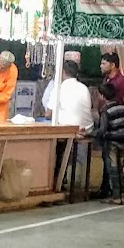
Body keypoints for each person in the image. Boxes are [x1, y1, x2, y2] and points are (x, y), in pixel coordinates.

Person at [49, 58, 94, 196]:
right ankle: (62, 179)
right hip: (87, 128)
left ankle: (56, 181)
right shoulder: (84, 87)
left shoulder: (59, 88)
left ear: (62, 72)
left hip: (70, 131)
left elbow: (48, 113)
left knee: (55, 146)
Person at [93, 79, 124, 204]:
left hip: (111, 142)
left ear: (103, 96)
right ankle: (122, 194)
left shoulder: (106, 111)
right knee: (119, 168)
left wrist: (90, 133)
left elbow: (102, 129)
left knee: (112, 168)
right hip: (123, 140)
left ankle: (116, 196)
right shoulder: (121, 107)